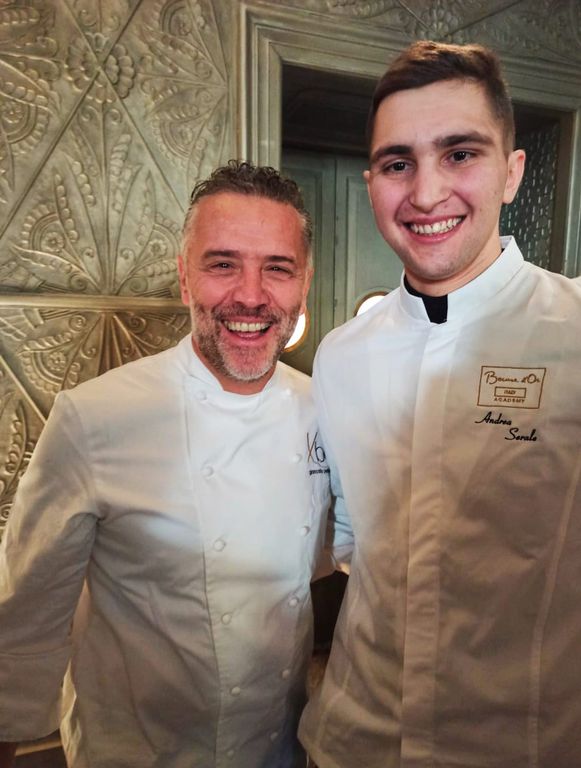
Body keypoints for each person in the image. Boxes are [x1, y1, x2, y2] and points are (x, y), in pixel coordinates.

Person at [299, 41, 581, 768]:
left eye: (459, 154)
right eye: (398, 164)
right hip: (353, 742)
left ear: (511, 172)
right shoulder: (340, 355)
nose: (425, 194)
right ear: (371, 185)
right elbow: (354, 546)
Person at [0, 160, 333, 768]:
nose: (251, 295)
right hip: (132, 752)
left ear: (304, 283)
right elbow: (26, 615)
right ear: (184, 278)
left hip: (276, 747)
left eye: (277, 268)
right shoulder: (94, 418)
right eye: (223, 264)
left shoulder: (326, 410)